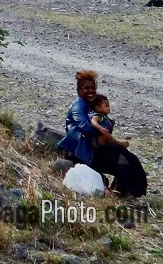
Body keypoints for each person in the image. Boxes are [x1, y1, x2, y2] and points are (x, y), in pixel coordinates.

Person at [58, 70, 147, 198]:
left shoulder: (92, 106)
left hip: (93, 147)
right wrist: (104, 132)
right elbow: (85, 128)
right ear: (78, 90)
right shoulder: (78, 107)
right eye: (86, 88)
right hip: (82, 151)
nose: (90, 91)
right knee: (122, 160)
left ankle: (127, 191)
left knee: (129, 158)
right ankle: (120, 192)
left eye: (92, 88)